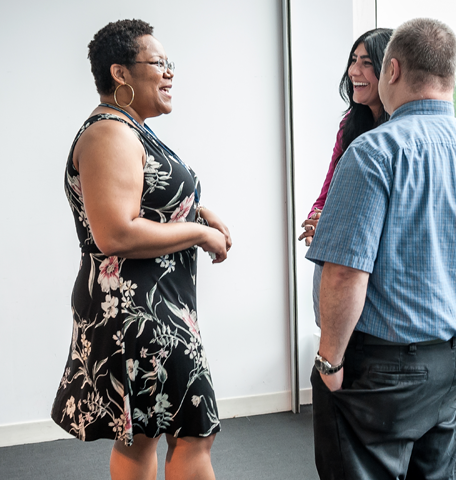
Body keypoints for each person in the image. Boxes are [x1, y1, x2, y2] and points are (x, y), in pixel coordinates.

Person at [306, 17, 456, 480]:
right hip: (455, 359)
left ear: (392, 70)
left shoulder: (376, 152)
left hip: (383, 369)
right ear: (450, 76)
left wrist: (329, 361)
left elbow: (344, 273)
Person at [51, 19, 231, 480]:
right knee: (192, 431)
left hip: (152, 307)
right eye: (158, 63)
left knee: (145, 433)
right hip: (137, 311)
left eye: (170, 63)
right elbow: (116, 233)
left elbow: (144, 199)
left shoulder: (129, 129)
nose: (170, 73)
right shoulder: (110, 132)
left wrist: (198, 212)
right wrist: (198, 233)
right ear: (121, 74)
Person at [297, 28, 392, 326]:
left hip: (380, 270)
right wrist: (316, 218)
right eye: (353, 60)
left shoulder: (401, 134)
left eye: (366, 62)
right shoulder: (349, 126)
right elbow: (328, 193)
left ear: (390, 69)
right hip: (341, 263)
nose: (353, 71)